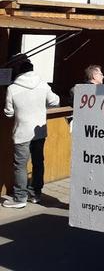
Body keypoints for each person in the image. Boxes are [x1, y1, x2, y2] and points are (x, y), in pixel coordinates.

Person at [2, 55, 59, 208]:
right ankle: (35, 194)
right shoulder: (43, 84)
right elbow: (55, 101)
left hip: (22, 131)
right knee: (38, 162)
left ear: (18, 71)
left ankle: (20, 198)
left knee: (20, 165)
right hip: (39, 131)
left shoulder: (12, 88)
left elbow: (8, 112)